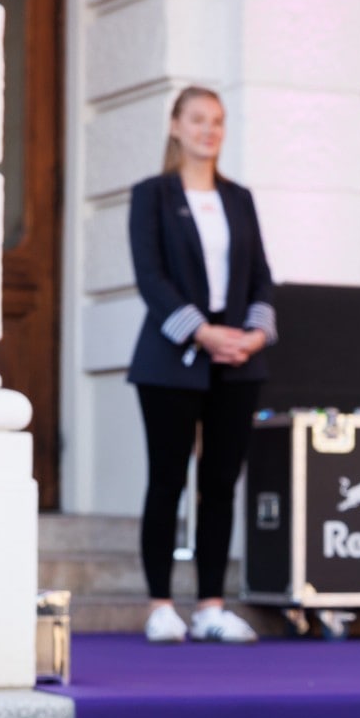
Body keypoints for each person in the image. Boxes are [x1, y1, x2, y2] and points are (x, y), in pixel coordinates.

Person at [126, 85, 276, 644]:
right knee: (167, 479)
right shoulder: (152, 195)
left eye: (217, 121)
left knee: (220, 483)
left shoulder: (239, 198)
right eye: (197, 120)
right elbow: (151, 277)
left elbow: (261, 273)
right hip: (171, 358)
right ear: (175, 126)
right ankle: (161, 604)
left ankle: (211, 604)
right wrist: (204, 332)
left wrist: (255, 335)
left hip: (237, 361)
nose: (208, 130)